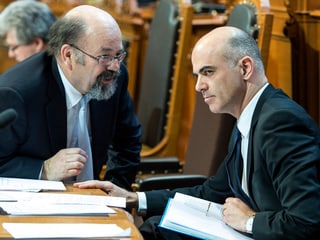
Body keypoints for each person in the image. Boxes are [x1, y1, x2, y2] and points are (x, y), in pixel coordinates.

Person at [74, 26, 320, 239]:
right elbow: (211, 192)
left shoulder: (279, 121)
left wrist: (248, 221)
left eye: (208, 72)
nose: (198, 86)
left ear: (245, 68)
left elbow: (307, 222)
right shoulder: (249, 117)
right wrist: (135, 199)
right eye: (197, 75)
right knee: (155, 228)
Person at [0, 5, 141, 191]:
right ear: (68, 55)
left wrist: (113, 191)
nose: (115, 66)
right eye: (105, 56)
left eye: (118, 55)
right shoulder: (17, 92)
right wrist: (44, 170)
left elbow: (128, 141)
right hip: (37, 203)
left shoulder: (113, 77)